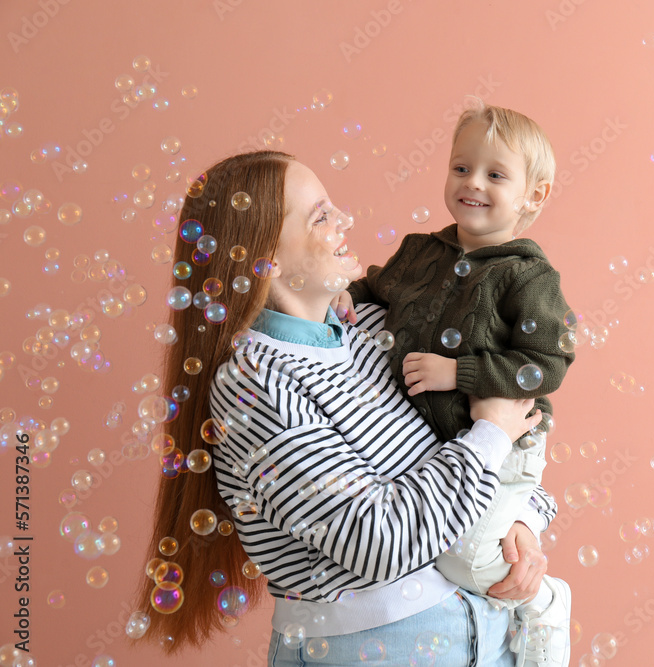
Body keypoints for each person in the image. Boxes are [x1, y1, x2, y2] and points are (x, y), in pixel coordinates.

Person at [136, 151, 554, 667]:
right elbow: (375, 542)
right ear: (265, 255)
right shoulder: (253, 386)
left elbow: (511, 432)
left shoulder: (375, 329)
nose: (344, 222)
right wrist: (491, 434)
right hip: (377, 649)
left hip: (488, 630)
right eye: (321, 216)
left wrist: (522, 526)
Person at [333, 102, 573, 667]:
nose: (473, 184)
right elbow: (378, 290)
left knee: (464, 556)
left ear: (532, 196)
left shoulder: (527, 275)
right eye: (462, 167)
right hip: (446, 447)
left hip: (506, 440)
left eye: (496, 174)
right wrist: (348, 297)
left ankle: (542, 603)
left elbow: (545, 363)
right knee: (432, 533)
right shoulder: (421, 251)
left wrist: (457, 372)